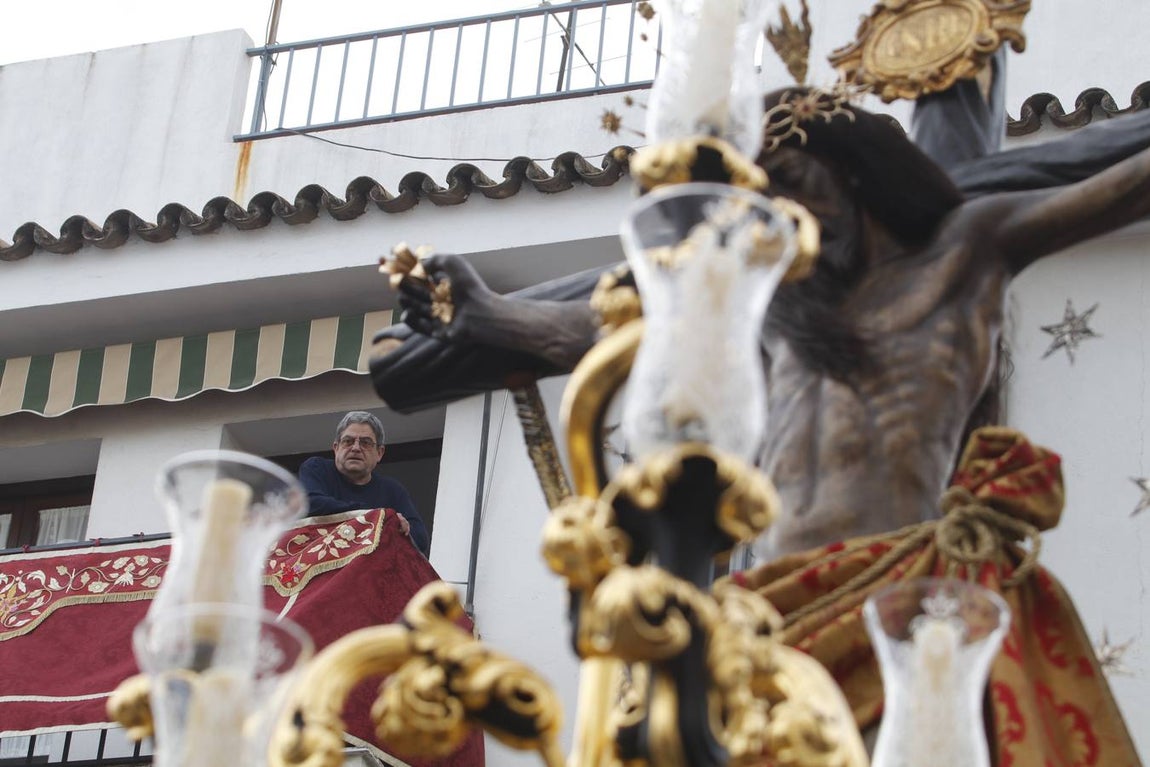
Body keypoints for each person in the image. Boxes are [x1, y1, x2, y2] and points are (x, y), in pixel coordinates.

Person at [373, 88, 1150, 560]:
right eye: (769, 203)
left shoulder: (965, 251)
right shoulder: (776, 310)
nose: (788, 218)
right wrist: (484, 309)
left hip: (898, 580)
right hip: (769, 604)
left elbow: (1121, 189)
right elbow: (583, 331)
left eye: (800, 186)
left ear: (851, 175)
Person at [298, 411, 430, 556]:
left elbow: (420, 539)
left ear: (379, 453)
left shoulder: (392, 490)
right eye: (348, 441)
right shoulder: (317, 469)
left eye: (365, 443)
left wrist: (391, 522)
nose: (355, 448)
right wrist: (380, 517)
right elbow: (311, 504)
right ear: (336, 448)